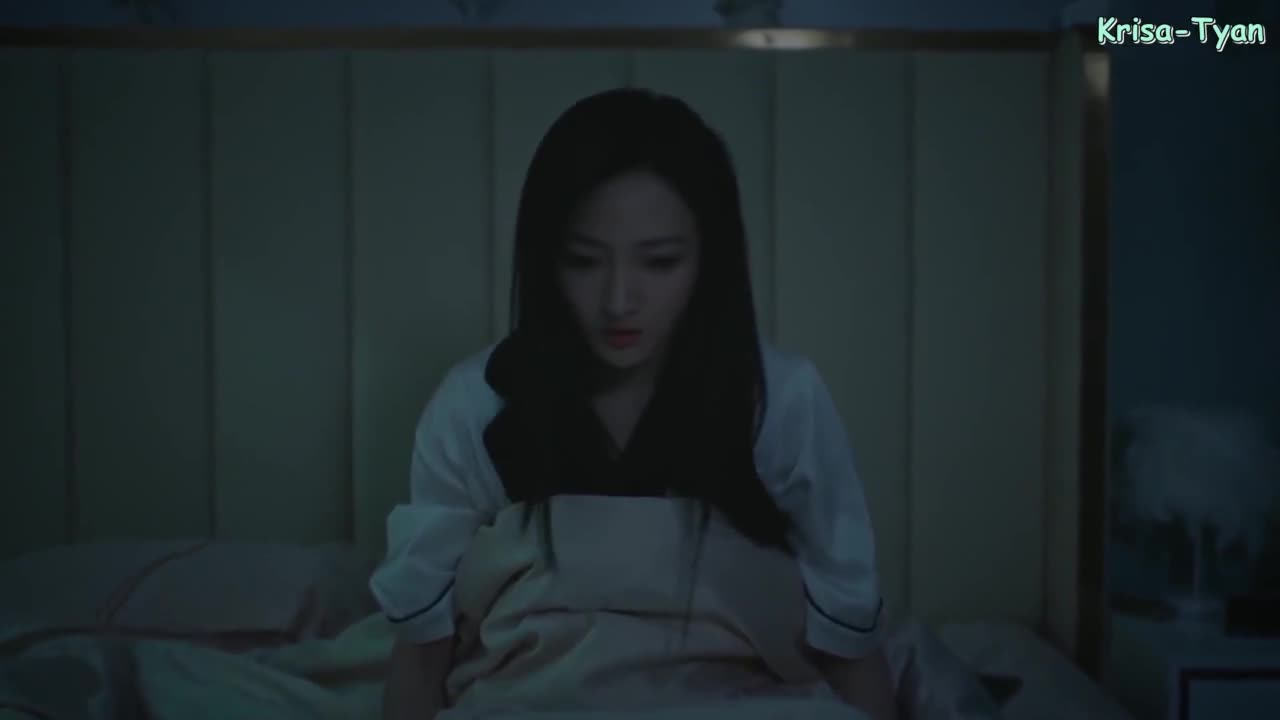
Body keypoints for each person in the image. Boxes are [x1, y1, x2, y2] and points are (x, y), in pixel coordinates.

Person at [372, 87, 898, 720]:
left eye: (660, 262)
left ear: (709, 260)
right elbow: (423, 647)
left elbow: (847, 632)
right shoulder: (477, 406)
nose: (619, 300)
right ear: (545, 259)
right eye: (584, 261)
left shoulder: (779, 400)